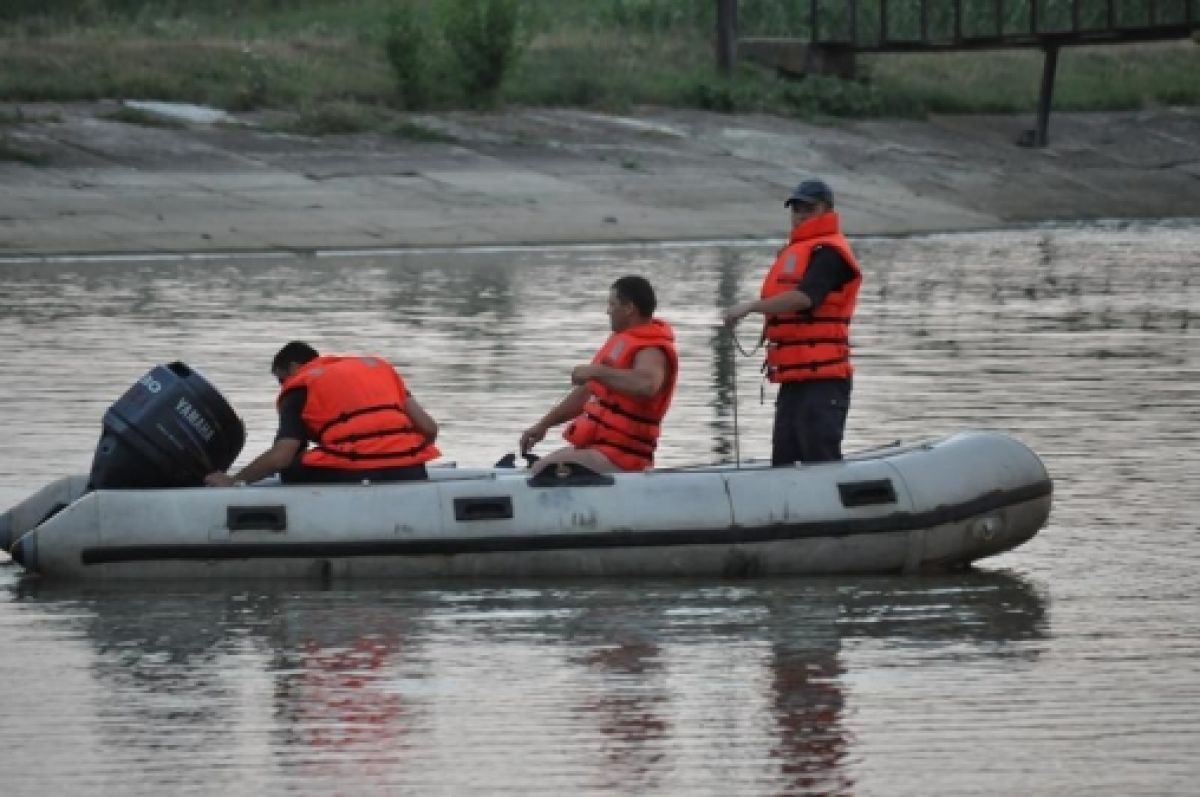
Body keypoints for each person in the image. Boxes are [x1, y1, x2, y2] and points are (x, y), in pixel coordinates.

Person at [722, 178, 862, 465]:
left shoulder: (830, 253)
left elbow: (805, 298)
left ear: (825, 209)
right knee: (784, 459)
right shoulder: (801, 250)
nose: (799, 214)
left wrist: (750, 307)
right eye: (796, 208)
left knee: (819, 459)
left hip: (824, 380)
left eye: (807, 208)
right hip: (795, 377)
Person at [204, 341, 440, 486]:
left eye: (280, 379)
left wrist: (235, 481)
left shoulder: (301, 386)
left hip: (354, 470)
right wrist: (405, 455)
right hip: (411, 470)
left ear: (295, 367)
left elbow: (282, 457)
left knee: (290, 468)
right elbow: (429, 428)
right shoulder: (380, 369)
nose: (282, 386)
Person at [520, 275, 678, 476]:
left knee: (541, 474)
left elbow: (647, 385)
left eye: (612, 304)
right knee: (538, 469)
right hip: (601, 448)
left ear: (629, 308)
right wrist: (544, 424)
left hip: (624, 457)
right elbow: (587, 393)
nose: (607, 311)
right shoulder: (622, 342)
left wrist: (595, 371)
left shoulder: (651, 347)